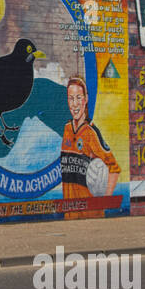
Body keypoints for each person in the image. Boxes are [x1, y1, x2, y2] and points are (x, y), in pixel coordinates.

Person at [59, 77, 119, 217]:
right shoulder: (67, 129)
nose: (74, 104)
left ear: (85, 99)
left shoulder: (91, 133)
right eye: (71, 98)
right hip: (70, 215)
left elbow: (114, 169)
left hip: (90, 216)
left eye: (78, 98)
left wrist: (104, 201)